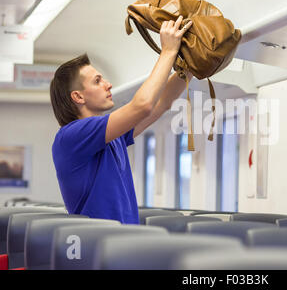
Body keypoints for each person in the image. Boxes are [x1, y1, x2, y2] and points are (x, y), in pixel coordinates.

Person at [50, 16, 193, 224]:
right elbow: (142, 105)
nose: (108, 84)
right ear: (78, 96)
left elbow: (163, 102)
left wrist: (189, 65)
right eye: (97, 81)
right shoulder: (71, 137)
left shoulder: (111, 136)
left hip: (124, 243)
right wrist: (169, 51)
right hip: (98, 250)